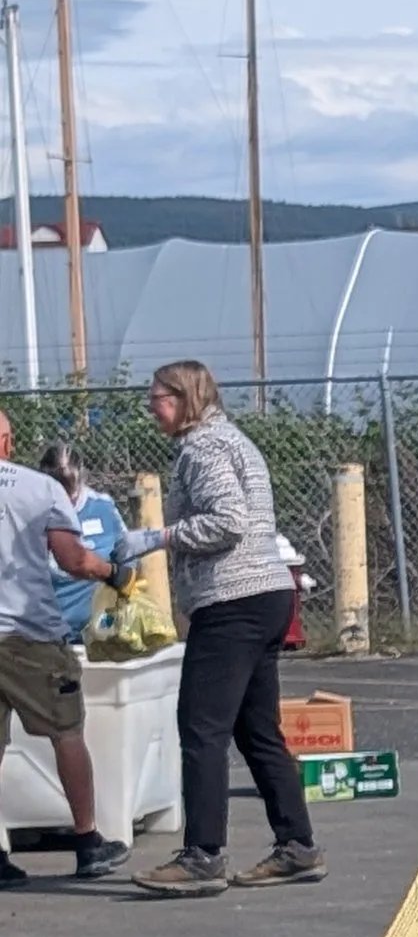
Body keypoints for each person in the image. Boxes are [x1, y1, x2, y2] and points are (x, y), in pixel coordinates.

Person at [116, 361, 325, 897]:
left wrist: (158, 537)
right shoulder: (232, 439)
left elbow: (227, 521)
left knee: (201, 727)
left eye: (158, 397)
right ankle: (296, 846)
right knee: (256, 729)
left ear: (184, 397)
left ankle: (202, 855)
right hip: (268, 593)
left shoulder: (202, 448)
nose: (151, 407)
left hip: (232, 600)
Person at [0, 411, 128, 881]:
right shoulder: (39, 488)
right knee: (66, 733)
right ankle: (87, 841)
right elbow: (73, 560)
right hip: (29, 635)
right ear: (8, 441)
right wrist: (114, 573)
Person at [37, 442, 124, 642]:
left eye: (71, 494)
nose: (66, 502)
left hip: (100, 627)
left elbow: (127, 552)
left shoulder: (103, 507)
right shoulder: (32, 512)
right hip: (51, 630)